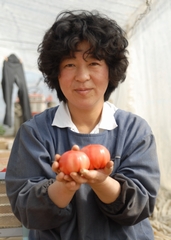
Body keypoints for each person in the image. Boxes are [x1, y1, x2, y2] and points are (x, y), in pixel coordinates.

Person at [5, 10, 160, 240]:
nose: (82, 76)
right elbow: (27, 209)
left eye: (94, 62)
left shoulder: (135, 131)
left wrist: (102, 182)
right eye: (69, 65)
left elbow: (140, 205)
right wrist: (65, 186)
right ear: (56, 72)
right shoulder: (35, 133)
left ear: (111, 71)